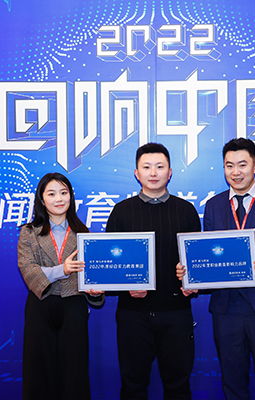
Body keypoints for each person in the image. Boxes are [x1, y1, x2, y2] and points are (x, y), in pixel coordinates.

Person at [178, 138, 255, 400]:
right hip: (226, 308)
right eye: (229, 165)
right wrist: (192, 275)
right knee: (232, 383)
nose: (236, 172)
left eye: (242, 165)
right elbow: (209, 254)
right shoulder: (214, 205)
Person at [106, 143, 201, 400]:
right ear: (137, 173)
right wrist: (125, 287)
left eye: (160, 167)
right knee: (133, 387)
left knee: (178, 386)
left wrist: (194, 282)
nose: (153, 173)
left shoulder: (186, 210)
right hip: (133, 315)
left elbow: (197, 262)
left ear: (170, 172)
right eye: (146, 167)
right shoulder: (121, 211)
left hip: (176, 313)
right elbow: (110, 265)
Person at [17, 172, 104, 400]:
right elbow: (28, 270)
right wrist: (61, 270)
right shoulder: (28, 232)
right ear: (41, 199)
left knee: (74, 373)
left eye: (64, 193)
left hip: (74, 306)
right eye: (52, 193)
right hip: (40, 306)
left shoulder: (84, 234)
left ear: (71, 197)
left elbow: (92, 275)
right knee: (38, 372)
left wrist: (96, 291)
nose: (59, 199)